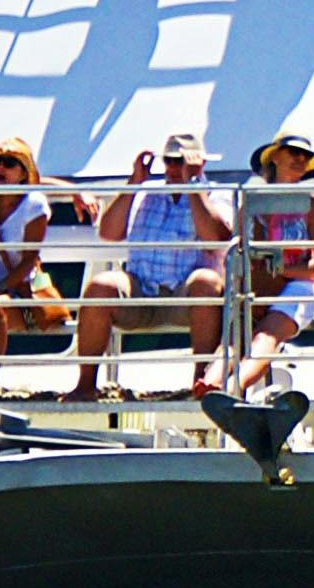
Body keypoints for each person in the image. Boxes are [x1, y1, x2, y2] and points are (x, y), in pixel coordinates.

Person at [67, 131, 228, 397]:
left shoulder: (216, 194)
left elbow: (217, 238)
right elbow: (108, 232)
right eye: (170, 161)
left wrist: (193, 185)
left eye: (182, 161)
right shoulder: (144, 192)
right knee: (100, 286)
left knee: (207, 282)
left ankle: (202, 383)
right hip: (140, 290)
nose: (175, 168)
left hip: (185, 297)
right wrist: (134, 182)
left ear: (200, 163)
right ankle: (85, 385)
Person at [228, 132, 314, 396]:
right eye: (294, 153)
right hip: (255, 288)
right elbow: (237, 251)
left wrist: (284, 270)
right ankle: (208, 389)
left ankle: (230, 389)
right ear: (275, 157)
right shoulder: (250, 204)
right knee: (230, 340)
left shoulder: (311, 206)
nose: (300, 160)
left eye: (305, 157)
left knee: (266, 336)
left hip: (299, 287)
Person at [0, 135, 74, 396]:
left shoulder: (33, 204)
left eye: (10, 163)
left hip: (18, 290)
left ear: (23, 172)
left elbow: (28, 260)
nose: (0, 168)